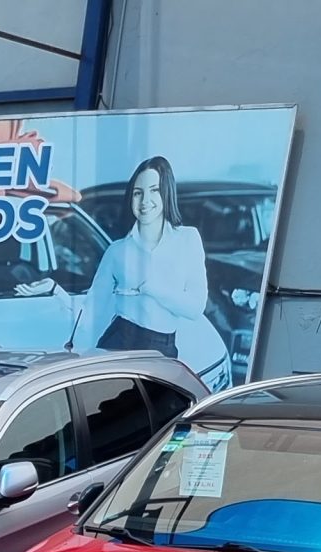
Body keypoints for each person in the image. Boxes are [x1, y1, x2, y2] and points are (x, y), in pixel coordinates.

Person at [84, 155, 230, 386]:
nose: (145, 200)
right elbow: (91, 306)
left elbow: (195, 306)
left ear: (166, 193)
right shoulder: (117, 250)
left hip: (160, 346)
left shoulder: (187, 239)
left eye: (154, 190)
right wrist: (55, 289)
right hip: (118, 338)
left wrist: (151, 288)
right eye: (138, 192)